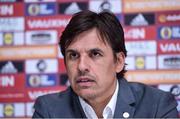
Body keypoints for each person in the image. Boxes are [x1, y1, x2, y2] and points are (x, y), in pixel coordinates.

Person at [32, 10, 178, 118]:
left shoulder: (158, 106)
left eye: (95, 54)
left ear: (119, 62)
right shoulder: (48, 110)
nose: (82, 66)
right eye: (73, 55)